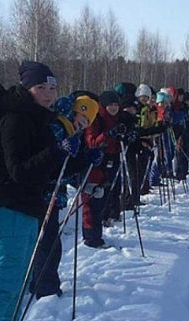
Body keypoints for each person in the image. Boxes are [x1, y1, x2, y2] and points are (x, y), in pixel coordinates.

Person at [0, 61, 71, 321]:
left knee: (19, 276)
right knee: (2, 278)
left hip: (29, 208)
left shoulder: (38, 120)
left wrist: (76, 159)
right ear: (27, 88)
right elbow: (19, 172)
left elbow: (45, 168)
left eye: (52, 88)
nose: (48, 93)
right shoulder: (14, 120)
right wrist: (55, 151)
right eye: (41, 87)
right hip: (10, 207)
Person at [30, 93, 102, 300]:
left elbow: (67, 167)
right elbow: (53, 164)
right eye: (83, 118)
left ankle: (42, 284)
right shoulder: (58, 127)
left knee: (50, 242)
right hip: (44, 193)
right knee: (48, 243)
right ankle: (45, 288)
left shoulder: (70, 130)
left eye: (88, 122)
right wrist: (74, 158)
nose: (84, 124)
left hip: (54, 192)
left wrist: (86, 159)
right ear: (75, 112)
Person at [83, 91, 121, 247]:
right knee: (92, 201)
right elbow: (92, 143)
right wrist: (109, 134)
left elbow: (114, 144)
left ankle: (96, 235)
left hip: (109, 162)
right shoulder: (95, 119)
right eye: (110, 105)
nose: (113, 108)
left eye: (116, 105)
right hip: (95, 164)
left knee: (102, 198)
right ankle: (91, 238)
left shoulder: (114, 119)